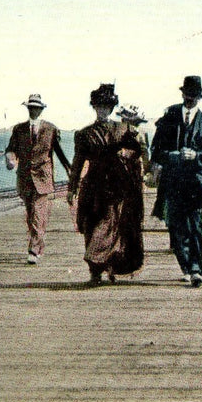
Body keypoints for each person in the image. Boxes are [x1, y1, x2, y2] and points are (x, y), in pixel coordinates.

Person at [66, 84, 149, 286]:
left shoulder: (124, 129)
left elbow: (139, 151)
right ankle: (96, 272)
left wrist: (125, 154)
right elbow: (78, 162)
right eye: (98, 106)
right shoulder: (84, 134)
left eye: (106, 107)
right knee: (90, 224)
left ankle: (101, 262)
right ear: (94, 107)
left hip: (116, 185)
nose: (102, 110)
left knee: (108, 226)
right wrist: (72, 187)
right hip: (93, 184)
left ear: (112, 109)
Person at [150, 76, 202, 288]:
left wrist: (197, 155)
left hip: (196, 183)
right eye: (187, 94)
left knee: (194, 225)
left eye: (194, 95)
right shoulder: (169, 119)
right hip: (173, 182)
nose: (190, 98)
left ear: (200, 97)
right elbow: (156, 151)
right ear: (182, 94)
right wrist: (174, 156)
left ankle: (196, 269)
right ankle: (185, 266)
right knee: (175, 227)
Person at [5, 93, 71, 264]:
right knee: (31, 214)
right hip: (25, 178)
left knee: (38, 213)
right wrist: (11, 159)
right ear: (28, 109)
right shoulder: (18, 129)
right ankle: (39, 244)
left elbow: (59, 152)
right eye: (31, 108)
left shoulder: (51, 129)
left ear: (41, 110)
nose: (34, 110)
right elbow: (11, 149)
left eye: (37, 108)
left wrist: (69, 169)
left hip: (43, 177)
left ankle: (33, 250)